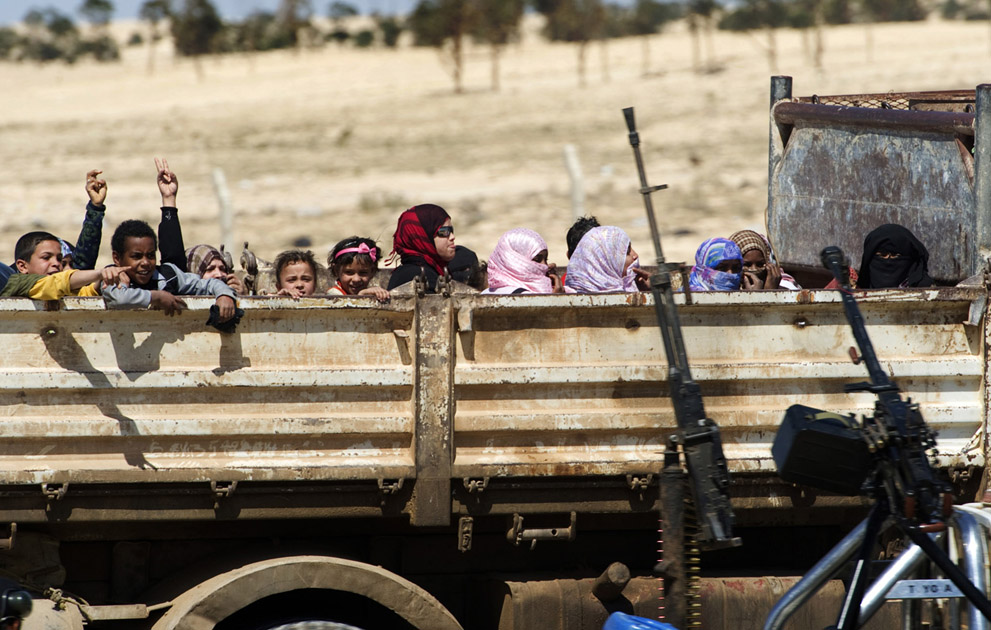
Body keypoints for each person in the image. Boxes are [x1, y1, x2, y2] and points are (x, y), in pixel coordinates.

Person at [101, 220, 238, 324]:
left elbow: (207, 284)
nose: (146, 263)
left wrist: (224, 295)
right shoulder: (112, 277)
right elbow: (119, 299)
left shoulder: (168, 275)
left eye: (150, 255)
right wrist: (156, 297)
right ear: (117, 258)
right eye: (136, 256)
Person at [2, 231, 129, 299]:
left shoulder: (60, 289)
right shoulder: (19, 282)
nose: (56, 264)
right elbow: (56, 283)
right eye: (46, 258)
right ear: (22, 266)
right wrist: (100, 273)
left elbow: (81, 293)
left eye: (59, 259)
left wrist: (100, 283)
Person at [386, 204, 458, 293]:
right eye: (444, 231)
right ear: (422, 235)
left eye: (451, 230)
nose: (452, 237)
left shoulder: (436, 270)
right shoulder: (415, 275)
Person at [564, 226, 649, 293]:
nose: (635, 255)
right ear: (604, 262)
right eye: (626, 252)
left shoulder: (635, 289)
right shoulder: (567, 294)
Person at [482, 228, 564, 294]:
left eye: (546, 260)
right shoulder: (528, 298)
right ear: (515, 261)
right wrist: (556, 299)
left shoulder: (485, 294)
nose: (545, 266)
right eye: (537, 260)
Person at [856, 224, 933, 289]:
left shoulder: (926, 290)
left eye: (895, 256)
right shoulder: (856, 295)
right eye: (882, 255)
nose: (888, 260)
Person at [728, 230, 800, 290]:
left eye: (760, 264)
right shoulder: (725, 287)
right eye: (747, 264)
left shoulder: (786, 287)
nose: (754, 269)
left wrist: (770, 292)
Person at [327, 237, 390, 302]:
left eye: (363, 272)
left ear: (372, 271)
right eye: (349, 272)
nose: (356, 279)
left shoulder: (369, 291)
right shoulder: (333, 294)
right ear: (336, 270)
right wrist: (361, 296)